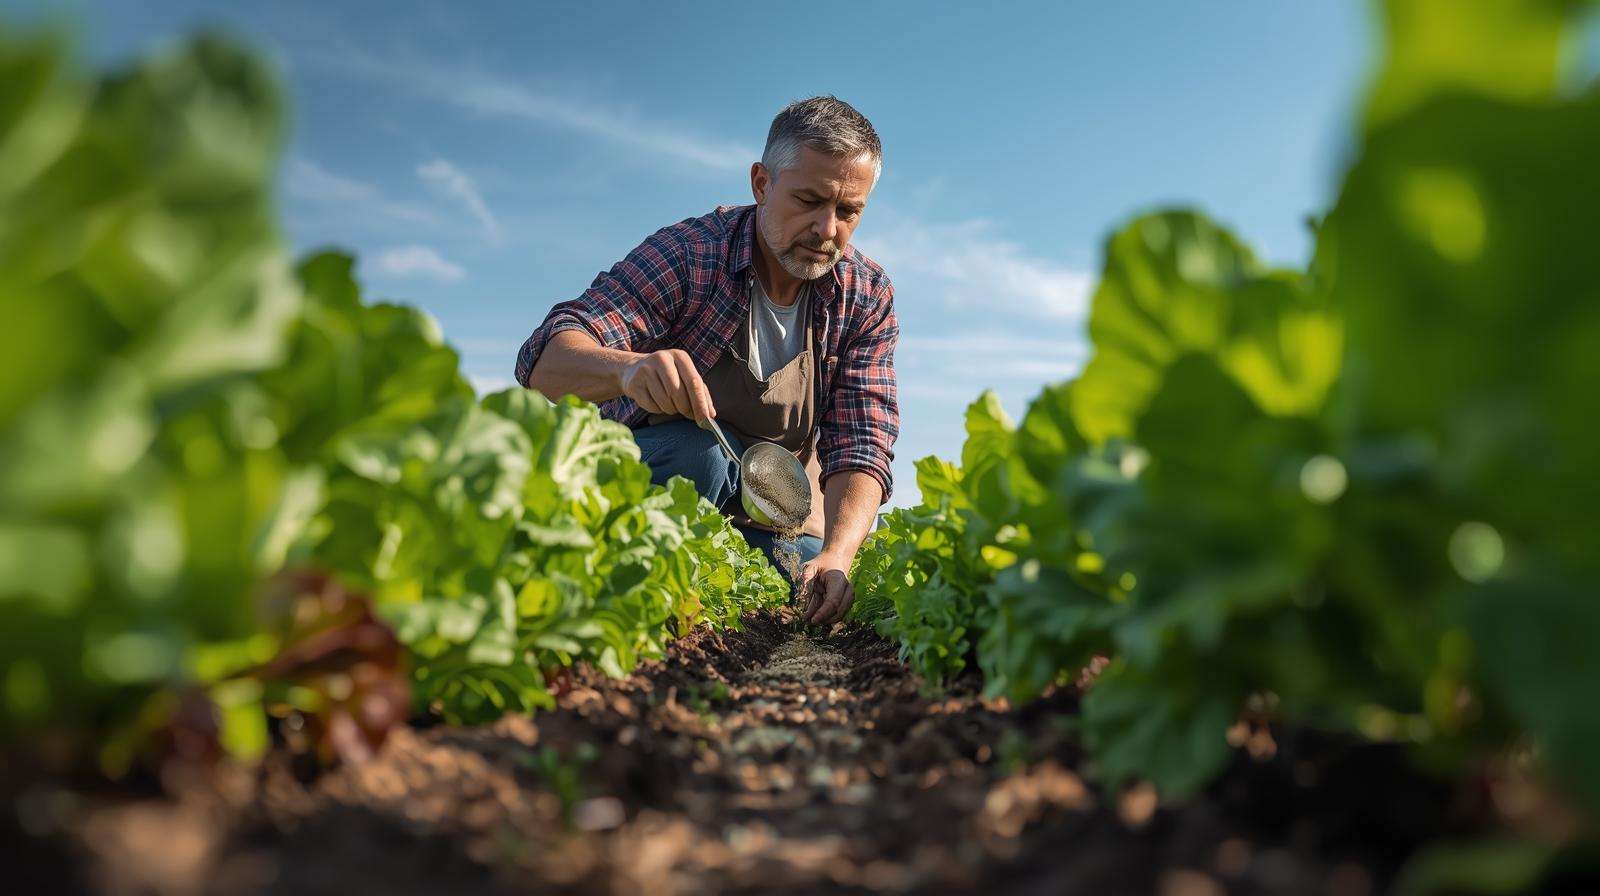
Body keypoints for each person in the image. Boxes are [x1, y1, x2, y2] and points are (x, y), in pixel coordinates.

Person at [516, 96, 898, 628]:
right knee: (701, 456)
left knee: (810, 573)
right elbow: (544, 362)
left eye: (848, 211)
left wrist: (838, 553)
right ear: (761, 184)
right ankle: (632, 589)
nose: (827, 228)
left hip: (771, 507)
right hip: (667, 479)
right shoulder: (693, 254)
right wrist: (626, 369)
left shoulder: (864, 294)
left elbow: (862, 439)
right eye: (809, 201)